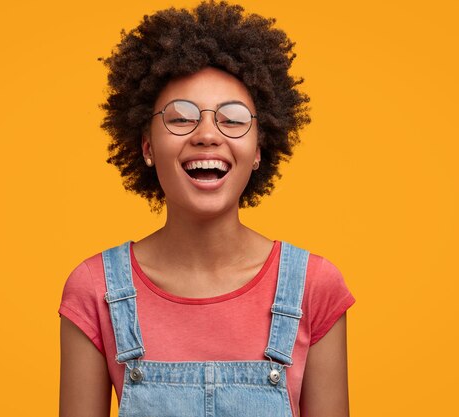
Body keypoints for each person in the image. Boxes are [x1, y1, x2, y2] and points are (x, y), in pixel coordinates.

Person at [58, 1, 355, 416]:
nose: (207, 135)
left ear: (258, 150)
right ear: (147, 146)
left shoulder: (313, 287)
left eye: (232, 120)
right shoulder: (95, 290)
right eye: (181, 118)